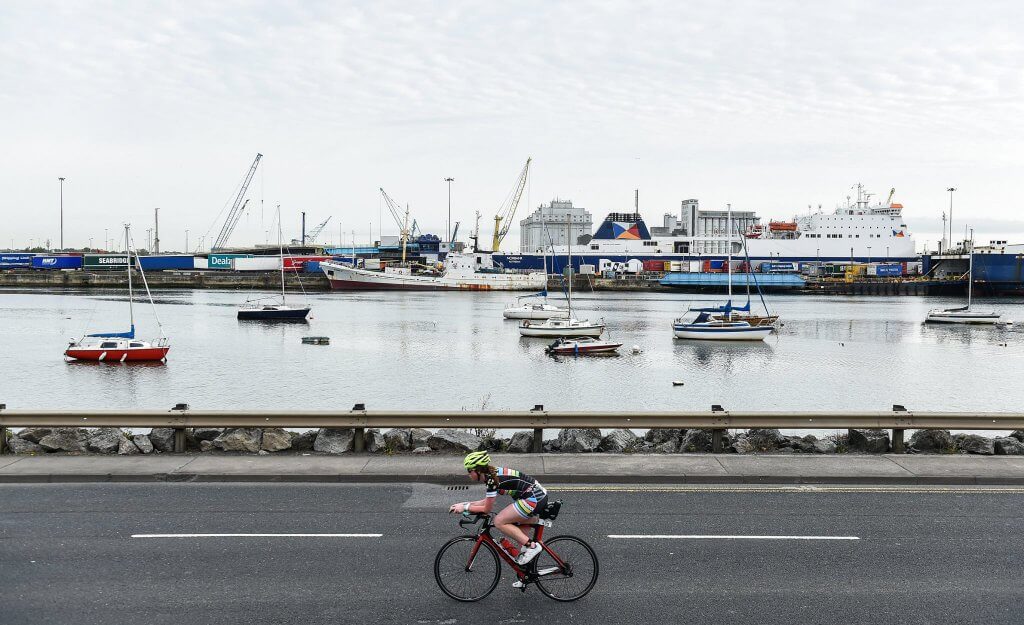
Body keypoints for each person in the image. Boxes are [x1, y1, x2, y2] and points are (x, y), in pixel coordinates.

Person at [449, 451, 548, 570]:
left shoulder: (492, 480)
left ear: (478, 470)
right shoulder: (491, 475)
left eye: (470, 471)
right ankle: (526, 576)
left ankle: (532, 546)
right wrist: (464, 504)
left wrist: (465, 508)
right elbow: (486, 501)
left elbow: (486, 509)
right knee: (519, 542)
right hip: (536, 496)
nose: (469, 474)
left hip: (534, 498)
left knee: (499, 521)